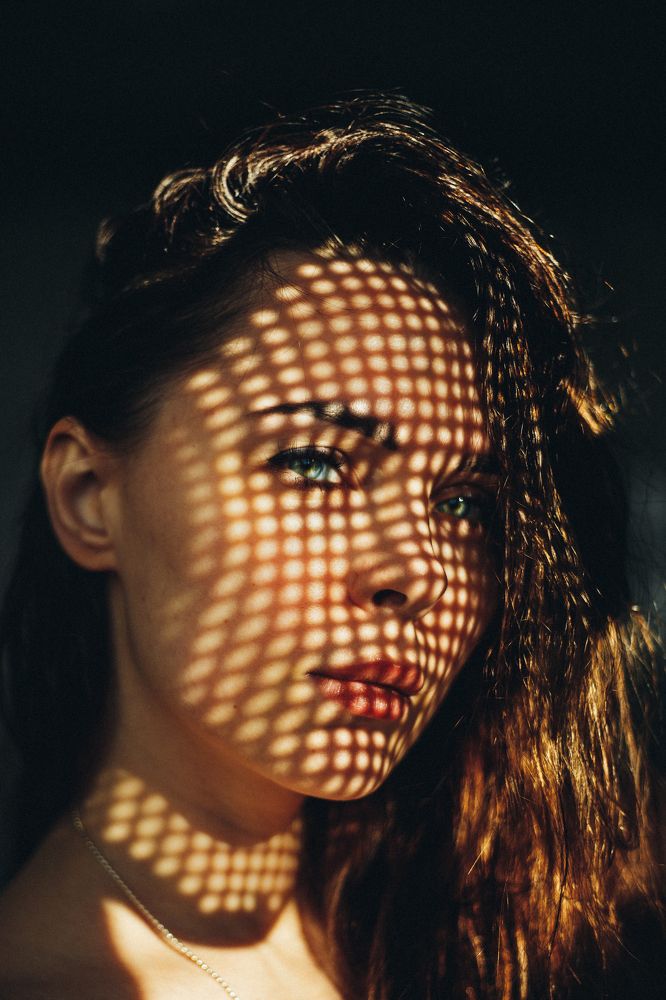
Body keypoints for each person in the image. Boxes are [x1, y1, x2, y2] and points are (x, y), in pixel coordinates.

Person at [0, 93, 662, 999]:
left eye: (466, 503)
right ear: (87, 498)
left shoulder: (470, 940)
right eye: (314, 464)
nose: (419, 571)